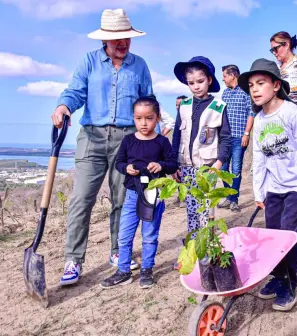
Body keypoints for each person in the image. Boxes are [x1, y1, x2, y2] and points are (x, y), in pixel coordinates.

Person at [54, 9, 154, 286]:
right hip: (92, 137)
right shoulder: (88, 61)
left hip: (128, 140)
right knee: (81, 199)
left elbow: (148, 102)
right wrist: (64, 106)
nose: (123, 44)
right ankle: (73, 259)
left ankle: (117, 252)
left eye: (127, 39)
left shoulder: (140, 65)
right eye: (117, 40)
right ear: (104, 41)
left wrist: (152, 136)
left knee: (123, 200)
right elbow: (75, 91)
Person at [238, 58, 297, 311]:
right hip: (274, 189)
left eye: (260, 83)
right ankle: (277, 278)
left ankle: (289, 284)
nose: (254, 89)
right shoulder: (260, 120)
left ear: (276, 85)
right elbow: (260, 160)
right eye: (251, 85)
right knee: (272, 237)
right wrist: (259, 191)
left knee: (288, 236)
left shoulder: (291, 113)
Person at [100, 96, 178, 289]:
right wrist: (126, 168)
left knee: (150, 235)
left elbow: (172, 165)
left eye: (149, 118)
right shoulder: (128, 141)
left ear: (158, 118)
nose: (144, 123)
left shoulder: (161, 142)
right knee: (124, 235)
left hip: (154, 194)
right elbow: (119, 163)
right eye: (139, 118)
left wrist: (159, 165)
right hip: (132, 194)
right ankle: (123, 271)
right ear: (133, 118)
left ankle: (147, 270)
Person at [171, 56, 231, 233]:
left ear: (209, 80)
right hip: (186, 167)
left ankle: (207, 247)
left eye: (200, 81)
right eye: (191, 83)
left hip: (207, 167)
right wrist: (174, 165)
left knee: (206, 208)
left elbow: (226, 138)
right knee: (190, 208)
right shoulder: (184, 106)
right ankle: (194, 244)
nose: (196, 86)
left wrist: (219, 162)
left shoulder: (219, 106)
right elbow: (176, 135)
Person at [217, 64, 255, 212]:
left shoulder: (246, 92)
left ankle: (234, 200)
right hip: (225, 138)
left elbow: (251, 113)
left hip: (239, 137)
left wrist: (246, 134)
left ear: (233, 75)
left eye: (225, 76)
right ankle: (228, 196)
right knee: (224, 169)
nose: (223, 79)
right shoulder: (225, 93)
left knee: (236, 169)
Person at [269, 31, 297, 119]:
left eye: (276, 49)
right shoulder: (276, 67)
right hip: (278, 111)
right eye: (272, 50)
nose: (274, 53)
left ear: (286, 45)